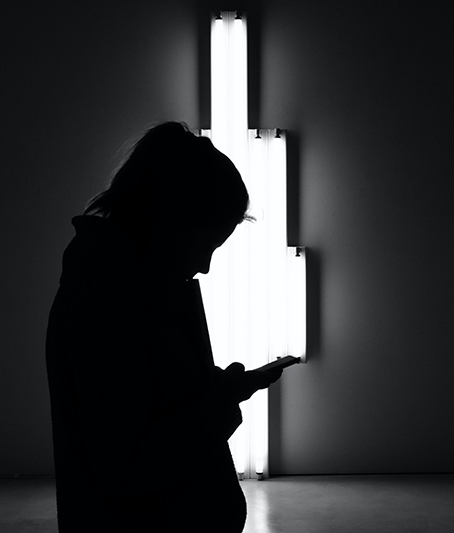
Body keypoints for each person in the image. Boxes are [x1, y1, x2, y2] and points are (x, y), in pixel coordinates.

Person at [45, 121, 282, 532]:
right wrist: (221, 401)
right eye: (206, 244)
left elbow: (147, 397)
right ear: (167, 218)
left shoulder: (126, 291)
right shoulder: (106, 301)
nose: (205, 266)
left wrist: (218, 390)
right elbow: (128, 465)